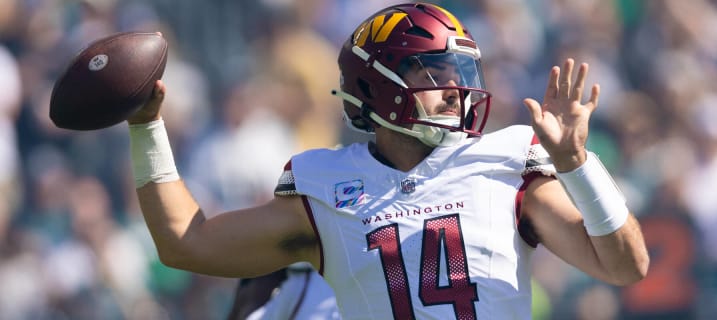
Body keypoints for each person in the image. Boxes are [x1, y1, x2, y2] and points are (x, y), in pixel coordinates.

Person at [126, 3, 649, 319]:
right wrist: (146, 125)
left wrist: (578, 164)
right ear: (379, 88)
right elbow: (185, 243)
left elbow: (627, 266)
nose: (456, 88)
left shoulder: (506, 161)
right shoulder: (326, 186)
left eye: (460, 70)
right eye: (436, 72)